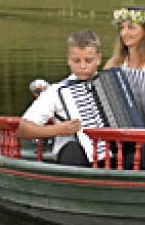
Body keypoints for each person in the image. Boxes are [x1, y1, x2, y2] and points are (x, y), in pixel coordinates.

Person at [15, 30, 102, 167]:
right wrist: (58, 130)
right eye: (76, 61)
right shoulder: (56, 91)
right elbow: (23, 129)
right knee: (73, 151)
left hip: (112, 153)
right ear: (68, 59)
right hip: (74, 154)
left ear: (99, 59)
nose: (82, 66)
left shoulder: (113, 85)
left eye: (88, 60)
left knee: (131, 154)